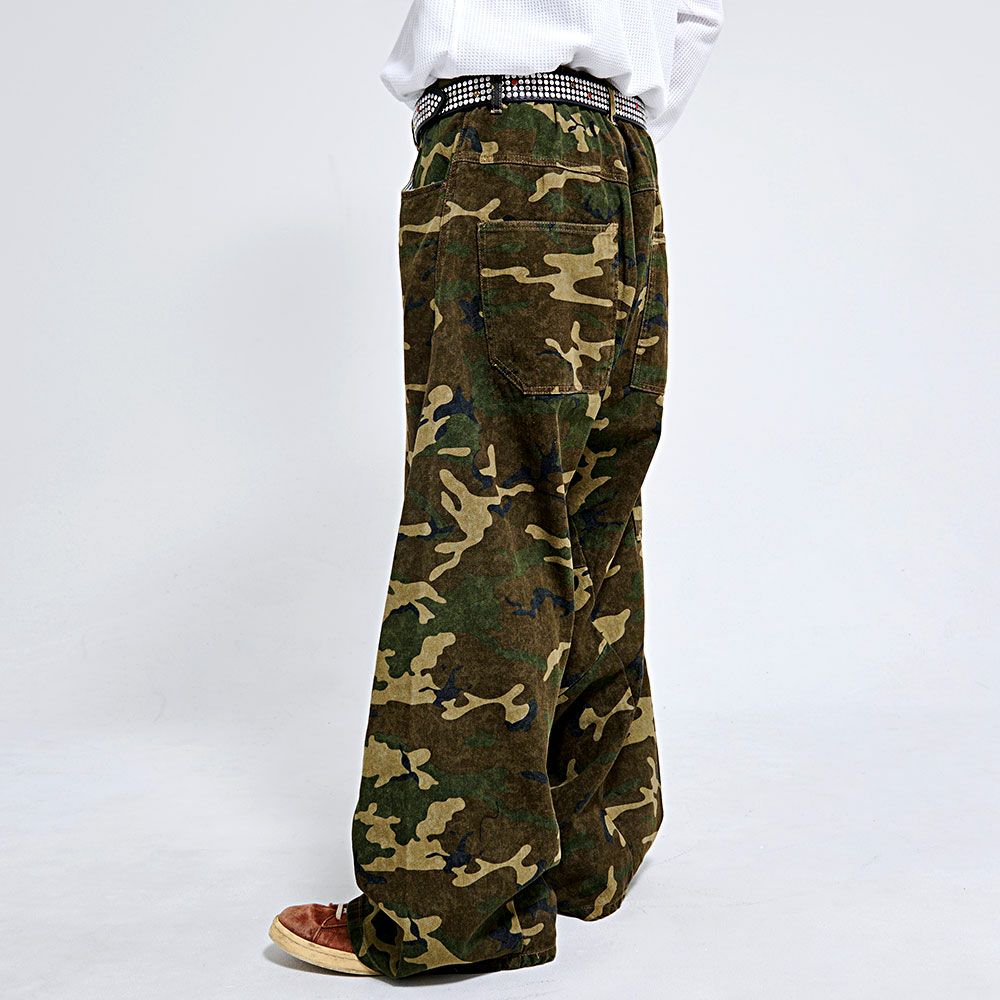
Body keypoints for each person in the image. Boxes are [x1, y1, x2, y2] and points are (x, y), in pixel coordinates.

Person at [268, 0, 724, 979]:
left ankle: (448, 909)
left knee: (486, 516)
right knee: (594, 509)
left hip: (503, 147)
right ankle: (586, 848)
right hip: (621, 165)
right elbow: (695, 15)